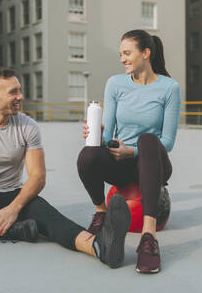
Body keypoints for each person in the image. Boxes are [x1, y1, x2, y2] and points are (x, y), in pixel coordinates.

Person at [0, 67, 131, 269]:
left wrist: (12, 209)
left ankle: (101, 247)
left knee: (51, 218)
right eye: (13, 92)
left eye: (20, 90)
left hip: (14, 197)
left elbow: (37, 176)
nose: (20, 96)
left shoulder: (28, 126)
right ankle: (14, 230)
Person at [77, 29, 181, 273]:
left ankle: (148, 237)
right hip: (121, 164)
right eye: (120, 54)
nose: (122, 59)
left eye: (127, 53)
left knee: (147, 140)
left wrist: (131, 152)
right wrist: (96, 134)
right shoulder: (115, 83)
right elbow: (108, 134)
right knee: (88, 155)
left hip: (154, 162)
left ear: (145, 53)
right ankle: (101, 213)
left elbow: (167, 142)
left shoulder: (169, 88)